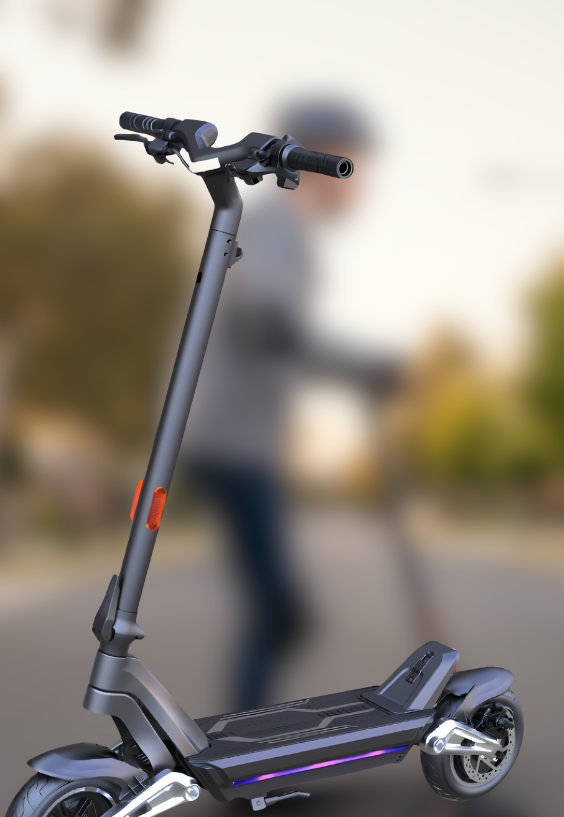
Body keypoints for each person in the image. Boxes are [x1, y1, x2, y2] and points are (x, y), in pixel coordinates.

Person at [184, 98, 396, 711]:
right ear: (323, 153)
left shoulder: (280, 227)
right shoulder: (278, 224)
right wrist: (360, 367)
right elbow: (265, 320)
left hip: (234, 436)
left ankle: (249, 731)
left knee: (282, 609)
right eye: (353, 161)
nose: (359, 180)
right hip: (234, 440)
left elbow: (271, 329)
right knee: (280, 609)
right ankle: (245, 747)